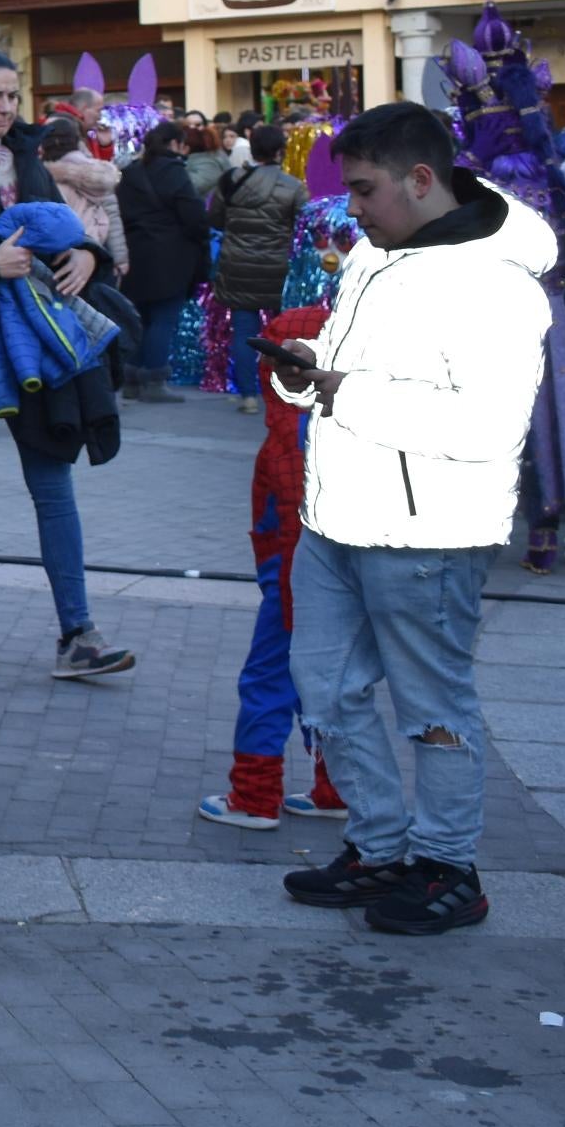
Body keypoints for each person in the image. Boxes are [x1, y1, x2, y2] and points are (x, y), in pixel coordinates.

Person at [269, 101, 553, 935]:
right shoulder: (376, 250)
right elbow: (348, 363)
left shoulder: (494, 280)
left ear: (421, 180)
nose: (351, 207)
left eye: (364, 189)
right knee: (328, 687)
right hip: (339, 513)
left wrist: (345, 394)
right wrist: (306, 370)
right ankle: (380, 847)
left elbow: (488, 425)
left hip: (430, 527)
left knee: (432, 705)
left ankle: (447, 866)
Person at [0, 50, 137, 679]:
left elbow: (62, 230)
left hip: (37, 342)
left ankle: (78, 632)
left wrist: (85, 256)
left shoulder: (29, 156)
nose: (5, 108)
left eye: (12, 96)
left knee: (54, 488)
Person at [196, 300, 349, 829]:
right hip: (343, 552)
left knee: (270, 670)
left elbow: (281, 507)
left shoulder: (290, 437)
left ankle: (255, 794)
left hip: (293, 555)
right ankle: (334, 786)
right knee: (332, 671)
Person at [213, 121, 306, 415]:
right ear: (281, 150)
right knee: (285, 330)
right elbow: (303, 229)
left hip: (237, 265)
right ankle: (283, 391)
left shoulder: (230, 181)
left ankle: (249, 396)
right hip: (278, 268)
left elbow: (214, 219)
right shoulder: (293, 187)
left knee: (243, 332)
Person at [119, 119, 210, 402]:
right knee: (163, 319)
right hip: (170, 256)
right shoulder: (174, 173)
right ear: (174, 144)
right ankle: (155, 380)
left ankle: (132, 378)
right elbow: (194, 216)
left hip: (134, 253)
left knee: (139, 319)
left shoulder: (130, 173)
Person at [41, 120, 128, 279]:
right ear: (78, 140)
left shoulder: (41, 175)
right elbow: (113, 217)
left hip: (61, 256)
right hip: (99, 251)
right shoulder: (100, 173)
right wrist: (120, 259)